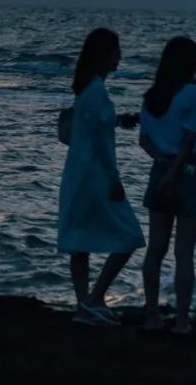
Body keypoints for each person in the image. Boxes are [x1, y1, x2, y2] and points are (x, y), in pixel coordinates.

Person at [57, 28, 143, 325]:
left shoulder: (87, 91)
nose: (120, 57)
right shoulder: (96, 92)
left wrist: (118, 120)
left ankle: (85, 304)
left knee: (79, 238)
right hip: (96, 176)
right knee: (130, 235)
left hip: (78, 174)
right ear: (105, 55)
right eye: (116, 51)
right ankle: (94, 298)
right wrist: (115, 180)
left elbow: (92, 129)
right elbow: (100, 145)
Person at [140, 35, 196, 335]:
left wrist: (163, 166)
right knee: (184, 252)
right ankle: (181, 321)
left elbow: (145, 139)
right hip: (187, 173)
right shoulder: (193, 94)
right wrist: (174, 172)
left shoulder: (152, 96)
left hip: (159, 169)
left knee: (156, 249)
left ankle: (152, 315)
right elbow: (190, 139)